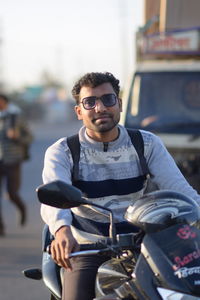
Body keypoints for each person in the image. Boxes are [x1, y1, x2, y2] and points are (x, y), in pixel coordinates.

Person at [41, 72, 200, 300]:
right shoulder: (63, 151)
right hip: (88, 246)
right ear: (79, 111)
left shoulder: (146, 143)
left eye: (108, 99)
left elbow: (180, 191)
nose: (100, 108)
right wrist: (62, 230)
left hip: (145, 243)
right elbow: (53, 200)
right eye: (90, 102)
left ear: (120, 104)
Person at [0, 94, 33, 236]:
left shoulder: (16, 117)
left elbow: (30, 137)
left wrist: (17, 137)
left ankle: (22, 208)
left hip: (13, 161)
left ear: (5, 102)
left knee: (11, 194)